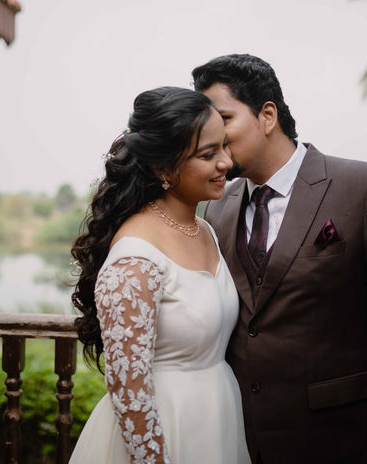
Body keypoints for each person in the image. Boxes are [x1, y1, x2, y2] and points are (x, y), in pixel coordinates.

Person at [192, 54, 367, 464]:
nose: (212, 137)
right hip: (245, 444)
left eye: (224, 118)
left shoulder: (364, 189)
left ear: (267, 116)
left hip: (346, 443)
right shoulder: (217, 208)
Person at [69, 86, 251, 464]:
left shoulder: (205, 230)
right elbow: (129, 394)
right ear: (163, 168)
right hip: (164, 429)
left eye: (224, 146)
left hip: (216, 420)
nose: (226, 163)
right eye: (208, 154)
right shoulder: (135, 258)